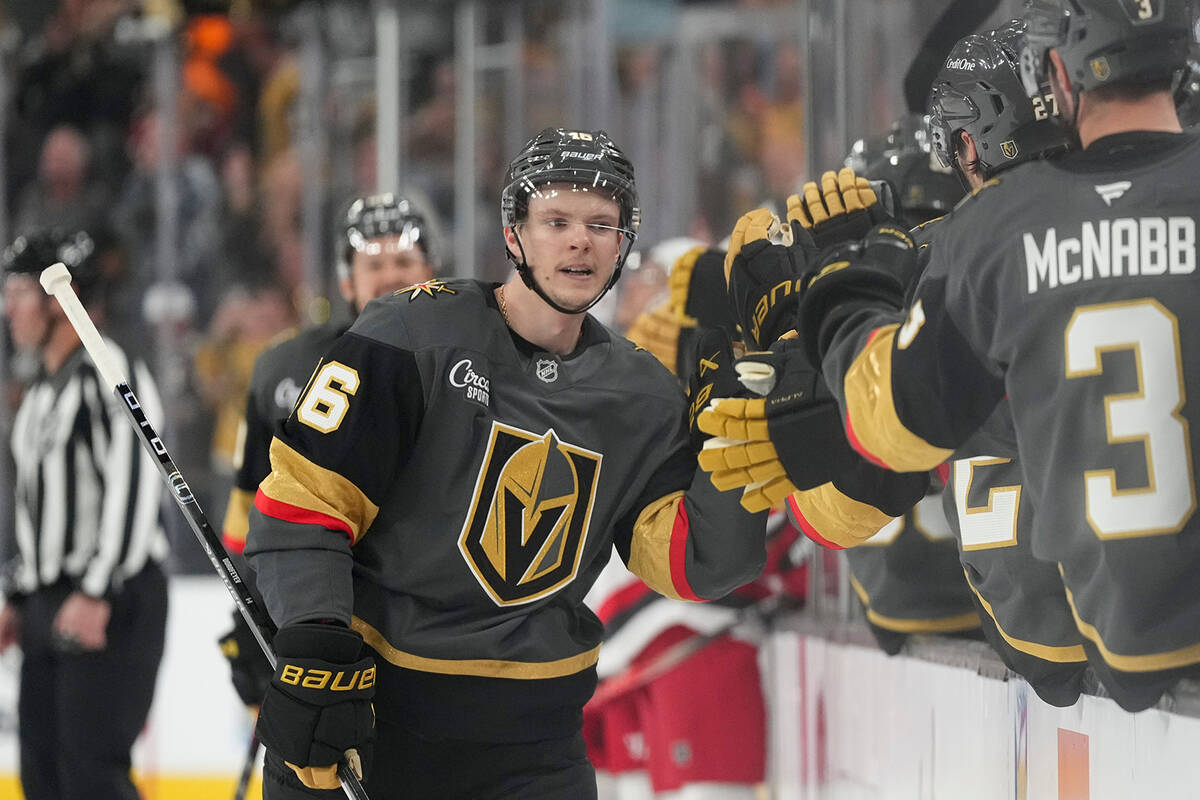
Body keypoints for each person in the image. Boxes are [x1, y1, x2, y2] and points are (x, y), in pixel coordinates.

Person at [244, 127, 768, 798]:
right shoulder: (404, 338)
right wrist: (317, 643)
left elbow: (696, 560)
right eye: (557, 220)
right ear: (514, 235)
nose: (580, 240)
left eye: (601, 224)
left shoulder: (645, 398)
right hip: (375, 723)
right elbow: (303, 507)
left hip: (535, 751)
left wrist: (739, 428)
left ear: (621, 244)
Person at [728, 0, 1197, 712]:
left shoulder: (991, 237)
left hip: (1085, 642)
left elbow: (885, 433)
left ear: (1061, 76)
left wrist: (827, 298)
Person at [218, 192, 442, 708]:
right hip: (326, 618)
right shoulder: (284, 370)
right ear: (346, 280)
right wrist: (251, 615)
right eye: (375, 264)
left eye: (404, 261)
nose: (391, 277)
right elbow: (249, 509)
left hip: (432, 628)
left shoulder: (470, 368)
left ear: (431, 272)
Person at [0, 228, 169, 800]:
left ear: (57, 299)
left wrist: (98, 590)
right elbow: (36, 508)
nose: (9, 308)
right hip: (51, 603)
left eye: (20, 292)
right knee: (42, 777)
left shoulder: (107, 367)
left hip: (111, 599)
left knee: (91, 777)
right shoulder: (42, 389)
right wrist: (18, 592)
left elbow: (138, 481)